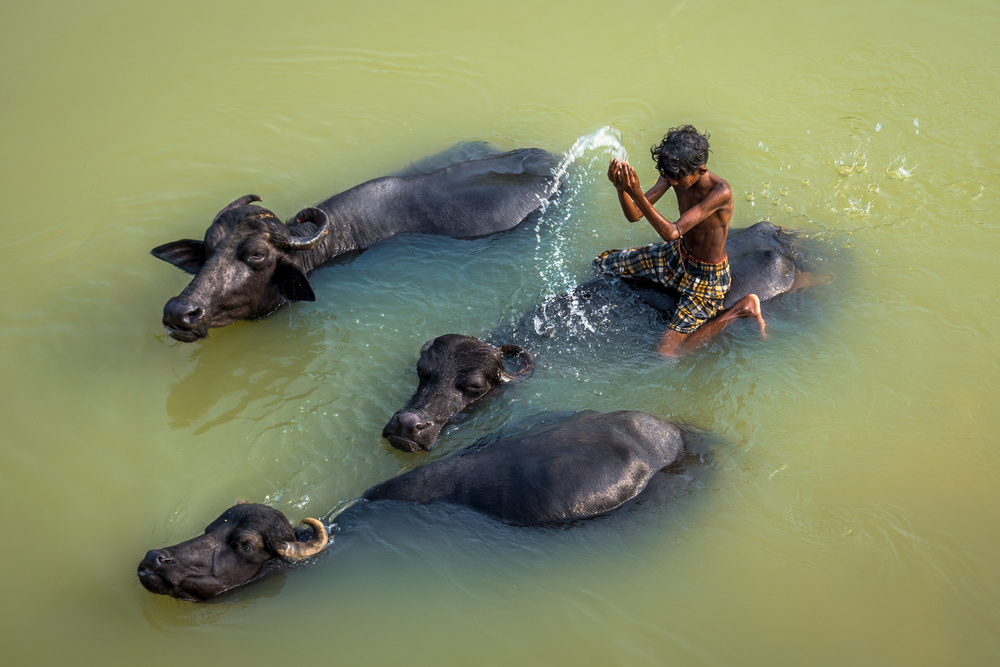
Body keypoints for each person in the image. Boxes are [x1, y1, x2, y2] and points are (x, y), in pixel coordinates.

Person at [596, 125, 765, 358]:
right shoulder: (675, 174)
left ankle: (742, 309)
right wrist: (621, 189)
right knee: (602, 263)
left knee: (667, 353)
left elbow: (673, 231)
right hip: (676, 256)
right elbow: (634, 215)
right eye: (670, 177)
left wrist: (636, 192)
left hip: (707, 278)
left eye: (678, 178)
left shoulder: (719, 192)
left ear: (701, 169)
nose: (673, 183)